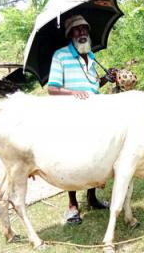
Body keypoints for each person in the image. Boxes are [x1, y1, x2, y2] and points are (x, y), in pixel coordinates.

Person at [47, 14, 114, 224]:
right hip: (71, 115)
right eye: (77, 30)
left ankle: (92, 198)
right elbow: (52, 88)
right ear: (70, 34)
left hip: (94, 113)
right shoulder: (61, 56)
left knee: (95, 156)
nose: (82, 32)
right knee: (73, 159)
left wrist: (106, 78)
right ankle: (72, 205)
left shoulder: (91, 56)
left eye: (85, 28)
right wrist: (72, 94)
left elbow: (92, 86)